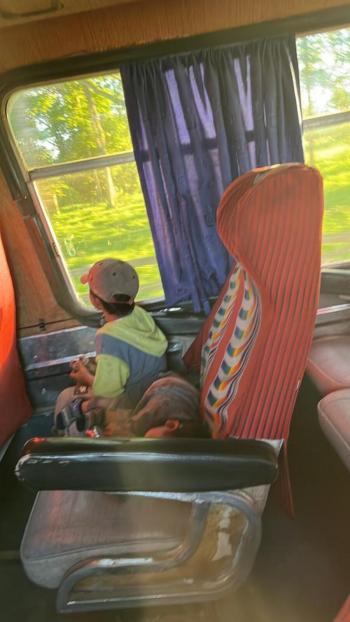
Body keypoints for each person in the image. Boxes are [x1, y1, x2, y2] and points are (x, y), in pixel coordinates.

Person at [53, 258, 168, 434]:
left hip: (134, 400)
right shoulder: (139, 313)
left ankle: (77, 421)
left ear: (96, 302)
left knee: (67, 397)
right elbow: (128, 357)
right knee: (82, 393)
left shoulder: (108, 337)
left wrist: (85, 376)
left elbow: (109, 390)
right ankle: (87, 410)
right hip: (152, 387)